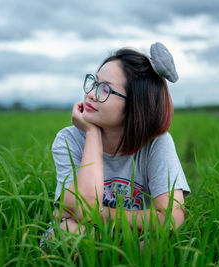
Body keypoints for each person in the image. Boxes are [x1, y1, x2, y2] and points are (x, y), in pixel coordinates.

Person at [44, 42, 190, 246]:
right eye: (94, 83)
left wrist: (101, 213)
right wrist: (92, 133)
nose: (91, 94)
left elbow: (171, 219)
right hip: (93, 234)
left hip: (133, 237)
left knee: (157, 247)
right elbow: (82, 210)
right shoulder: (70, 139)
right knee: (65, 233)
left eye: (105, 89)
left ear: (135, 104)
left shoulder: (157, 143)